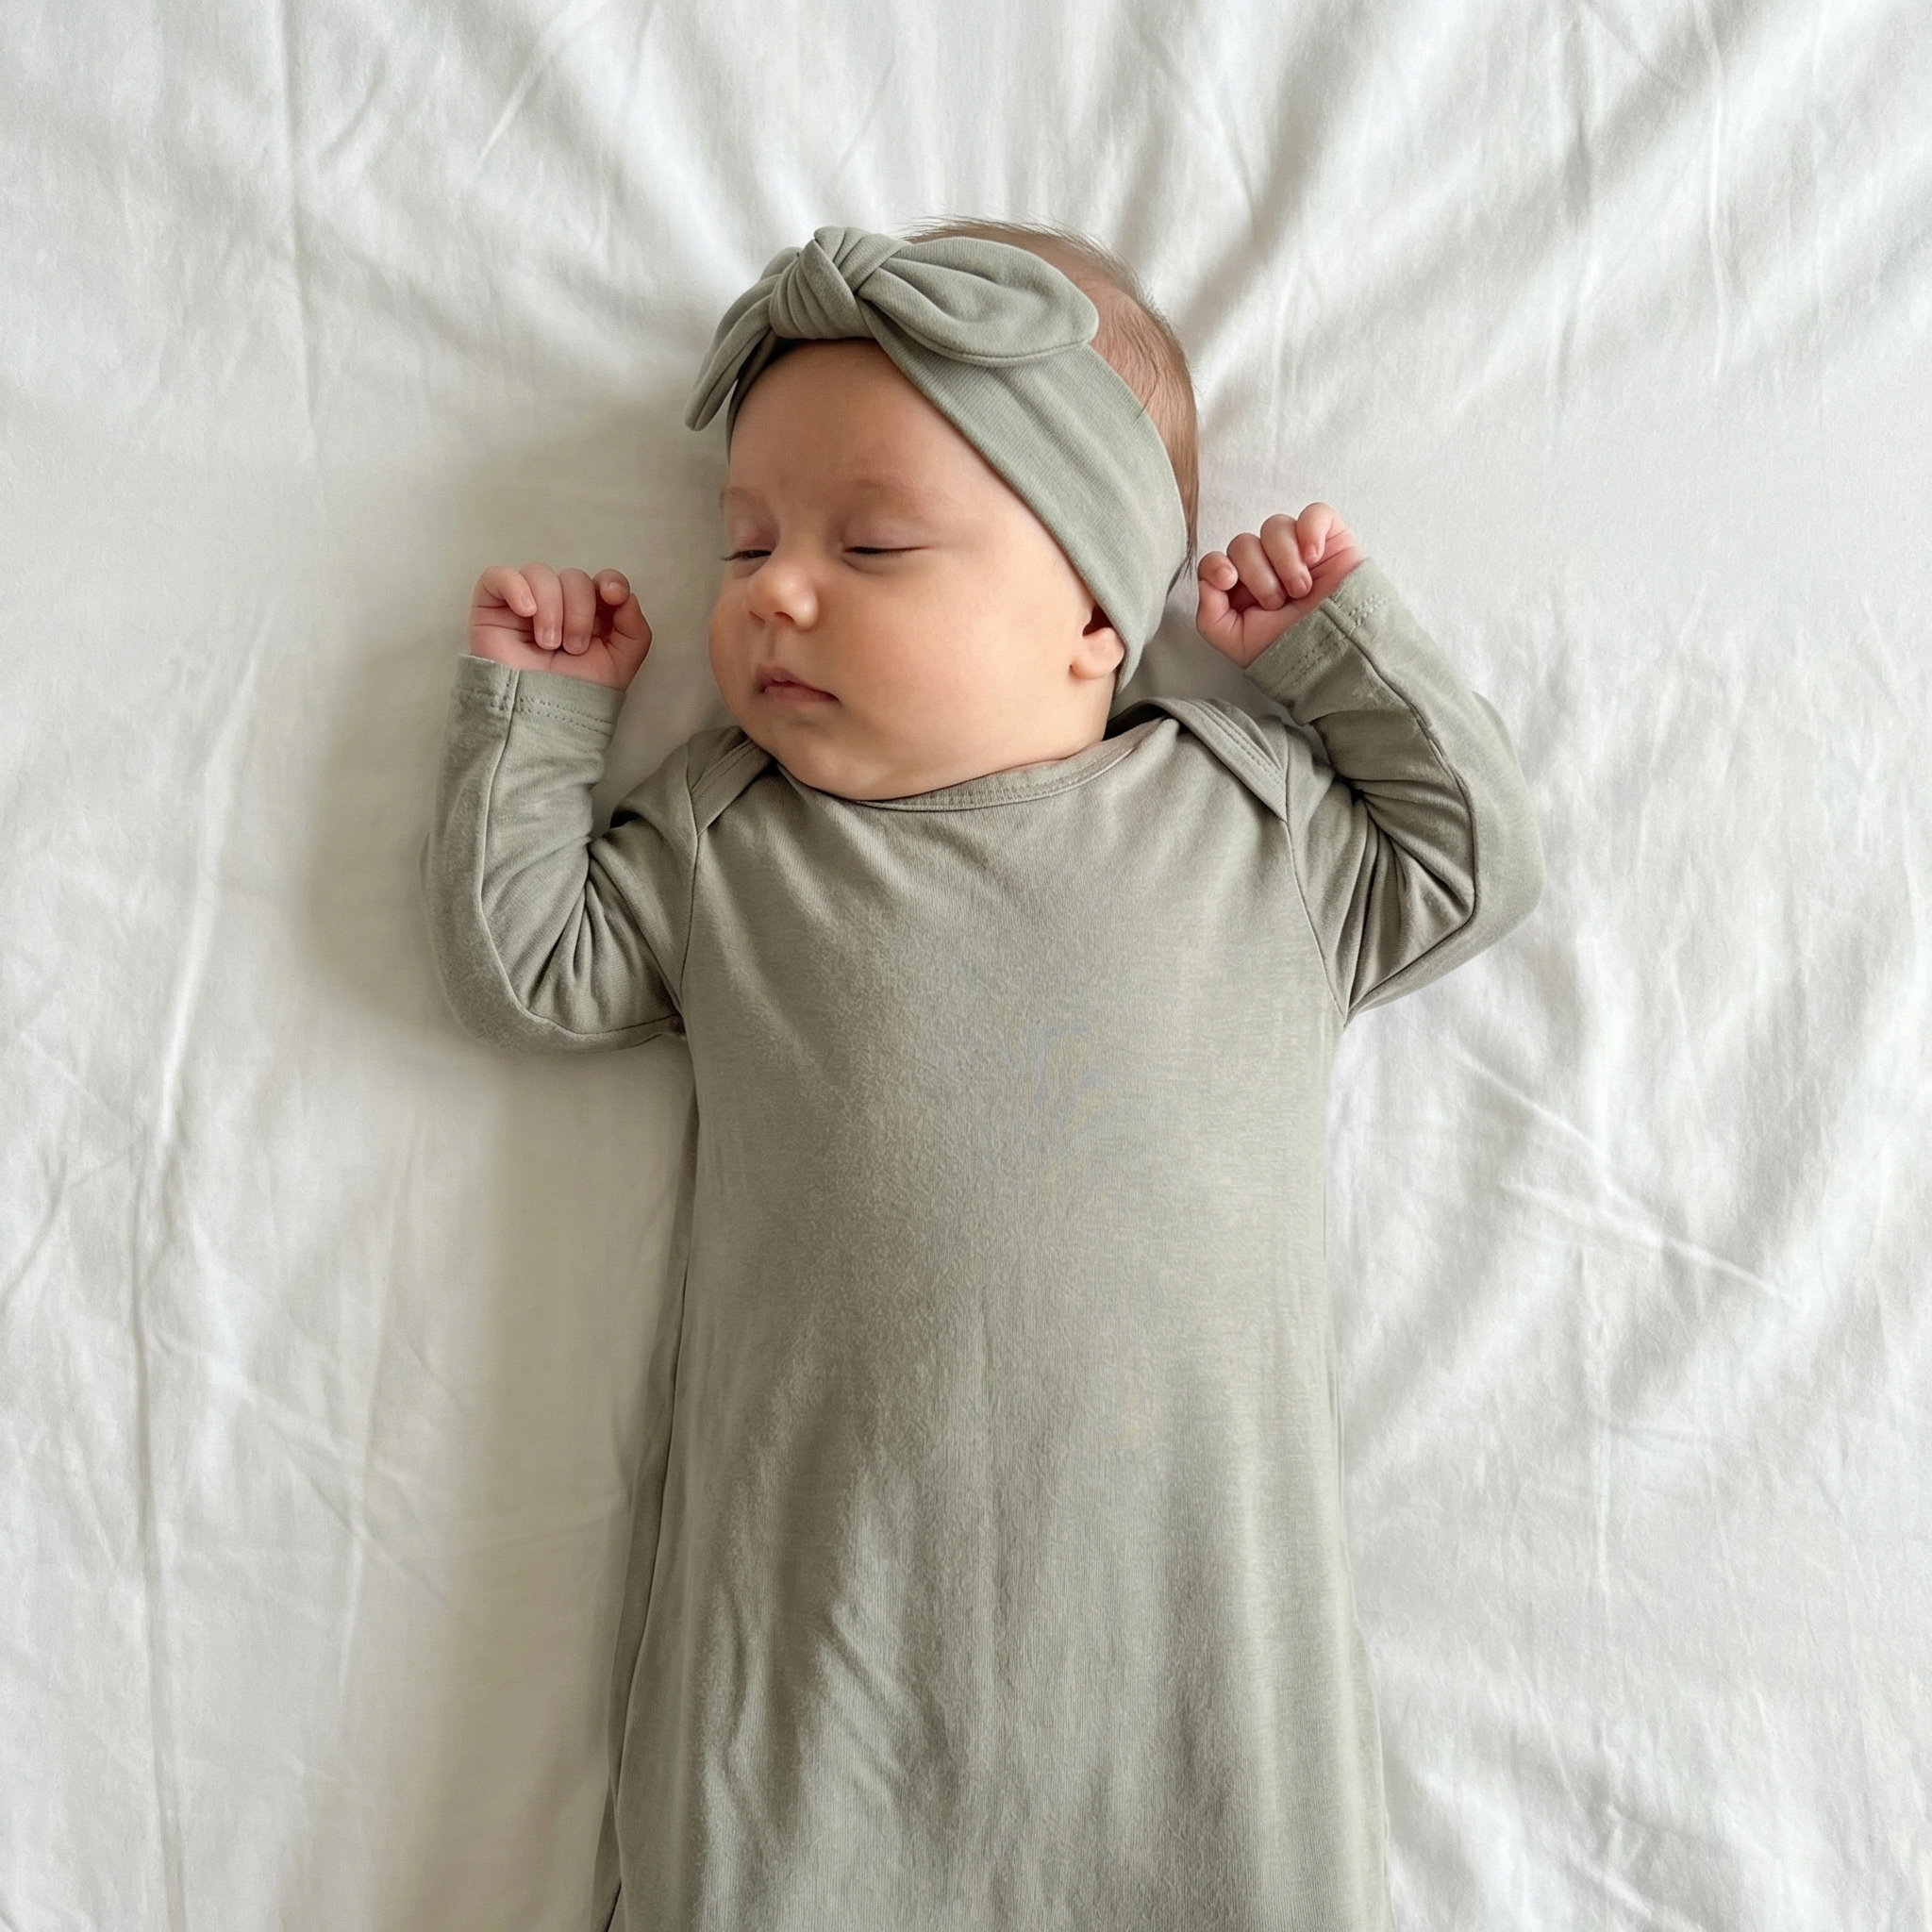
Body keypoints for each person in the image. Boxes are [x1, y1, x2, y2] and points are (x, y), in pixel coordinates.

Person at [422, 223, 1543, 1931]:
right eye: (745, 544)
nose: (773, 591)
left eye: (870, 543)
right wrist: (541, 720)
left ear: (1096, 608)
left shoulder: (1251, 822)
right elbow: (531, 971)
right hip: (817, 1674)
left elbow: (1473, 860)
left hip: (1193, 1678)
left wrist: (1333, 650)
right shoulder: (737, 839)